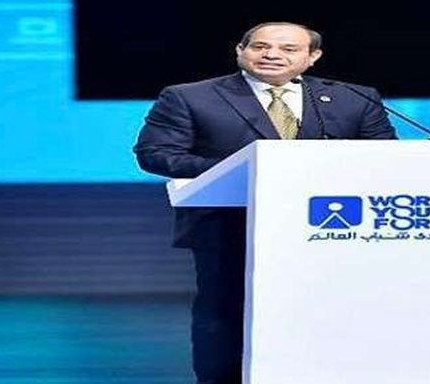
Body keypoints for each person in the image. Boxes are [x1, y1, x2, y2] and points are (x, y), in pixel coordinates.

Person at [133, 22, 396, 384]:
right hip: (229, 227)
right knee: (225, 312)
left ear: (312, 57)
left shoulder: (355, 98)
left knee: (329, 310)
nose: (272, 55)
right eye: (260, 47)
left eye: (288, 49)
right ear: (240, 51)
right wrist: (250, 168)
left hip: (334, 230)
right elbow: (155, 154)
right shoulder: (189, 97)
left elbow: (385, 157)